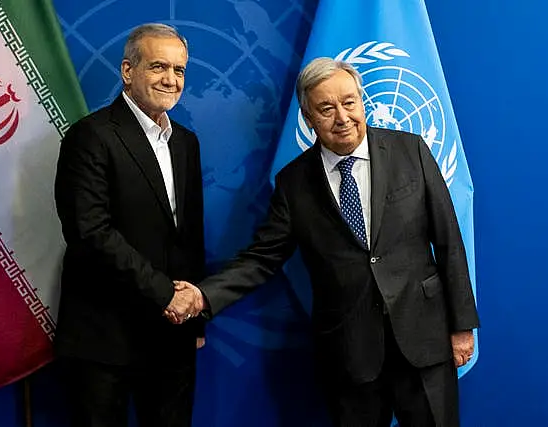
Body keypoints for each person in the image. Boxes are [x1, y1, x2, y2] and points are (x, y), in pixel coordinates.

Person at [166, 57, 479, 427]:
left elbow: (448, 240)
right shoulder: (293, 183)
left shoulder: (410, 151)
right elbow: (261, 260)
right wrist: (203, 297)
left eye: (349, 102)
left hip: (423, 340)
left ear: (363, 103)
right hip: (349, 353)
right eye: (327, 108)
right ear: (309, 118)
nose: (343, 117)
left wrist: (462, 326)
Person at [54, 23, 207, 427]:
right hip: (106, 338)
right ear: (127, 71)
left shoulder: (185, 142)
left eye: (179, 70)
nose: (171, 80)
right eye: (159, 67)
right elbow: (90, 233)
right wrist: (163, 293)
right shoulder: (90, 135)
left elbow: (188, 237)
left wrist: (195, 315)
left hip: (172, 336)